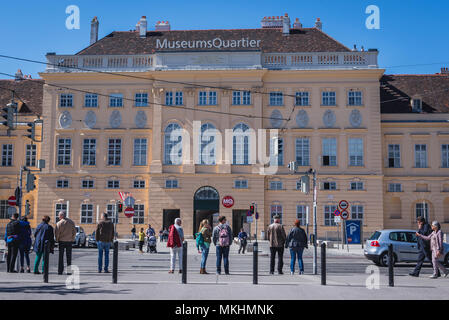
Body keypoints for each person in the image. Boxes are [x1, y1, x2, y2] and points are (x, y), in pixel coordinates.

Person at [55, 211, 76, 275]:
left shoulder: (59, 223)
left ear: (61, 216)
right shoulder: (71, 222)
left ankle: (60, 271)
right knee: (69, 257)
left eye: (59, 215)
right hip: (69, 241)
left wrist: (57, 239)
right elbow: (74, 232)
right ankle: (69, 271)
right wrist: (72, 239)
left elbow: (57, 233)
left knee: (60, 257)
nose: (58, 216)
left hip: (61, 241)